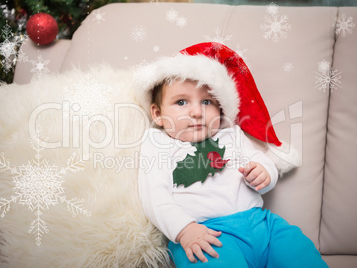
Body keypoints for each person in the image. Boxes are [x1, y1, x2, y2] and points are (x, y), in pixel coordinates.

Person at [137, 42, 328, 267]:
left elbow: (259, 161)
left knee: (299, 252)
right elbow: (154, 196)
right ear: (158, 114)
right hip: (206, 235)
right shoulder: (158, 143)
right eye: (181, 102)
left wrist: (264, 174)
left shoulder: (231, 135)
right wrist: (184, 230)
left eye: (207, 102)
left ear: (220, 108)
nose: (197, 112)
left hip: (263, 225)